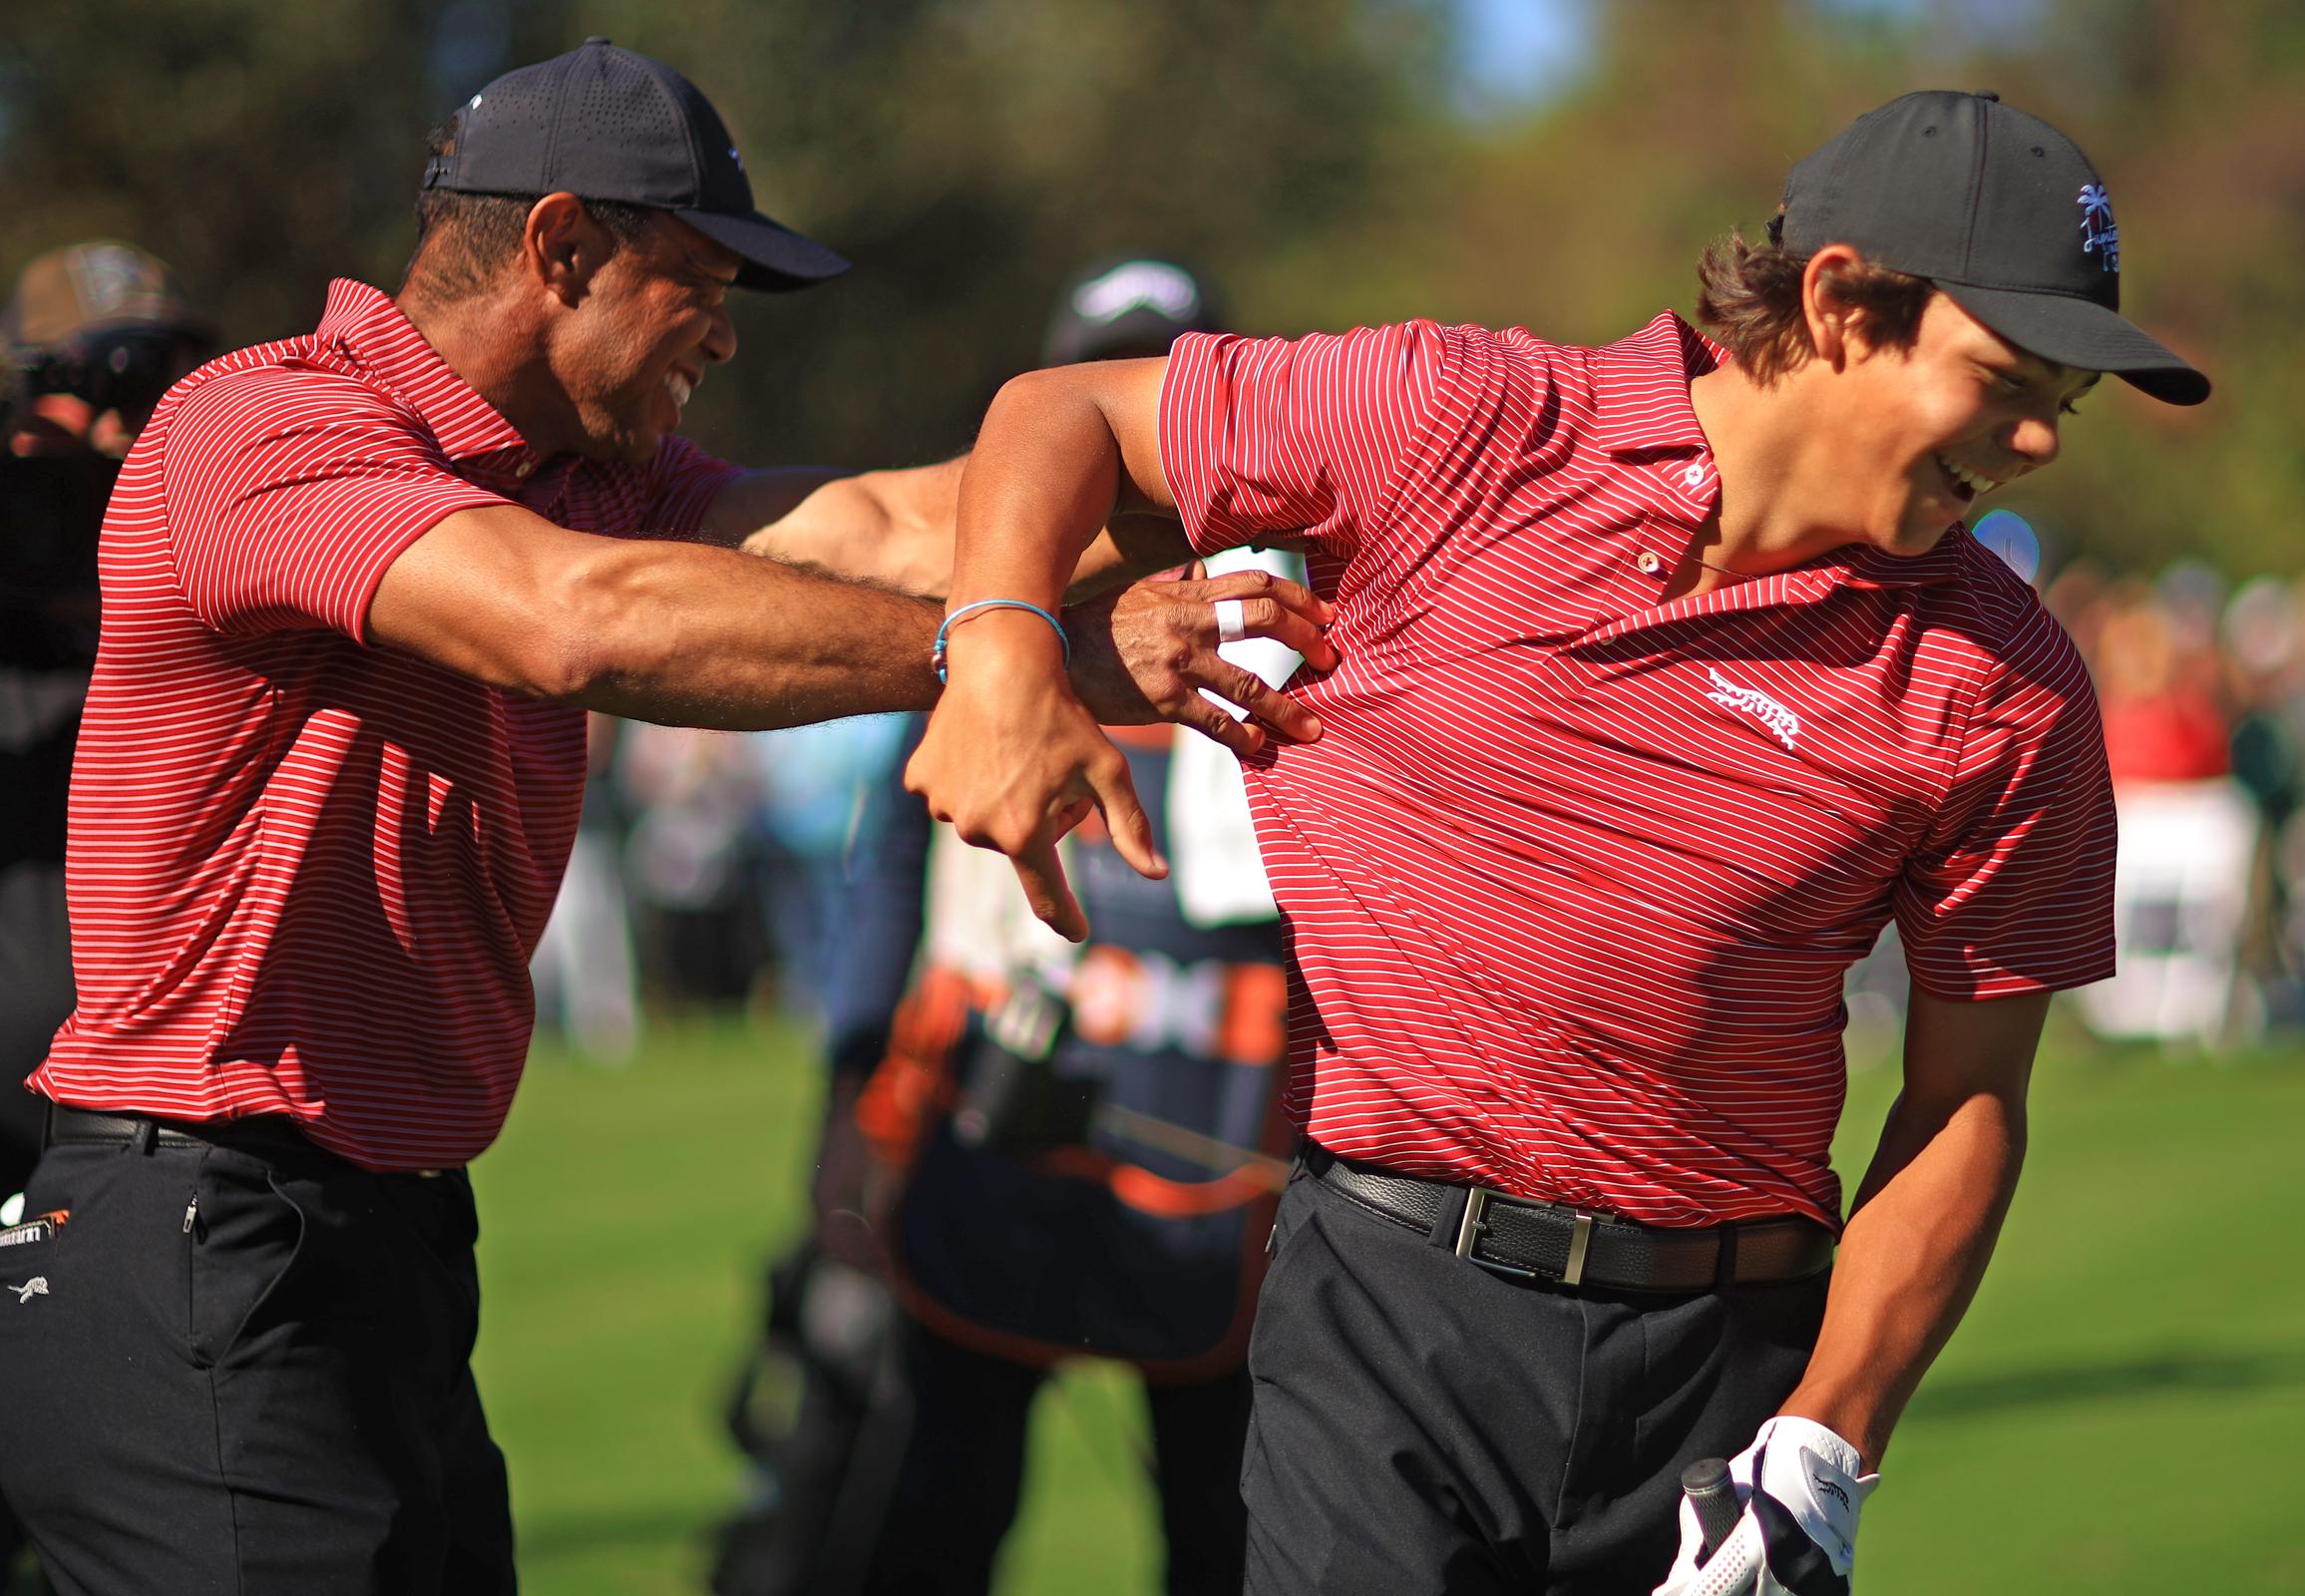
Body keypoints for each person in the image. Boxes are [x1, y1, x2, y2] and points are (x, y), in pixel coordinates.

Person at [0, 41, 1328, 1596]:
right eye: (700, 282)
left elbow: (889, 525)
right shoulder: (267, 425)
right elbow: (574, 623)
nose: (725, 339)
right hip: (195, 1231)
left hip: (378, 1248)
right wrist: (1024, 652)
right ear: (561, 246)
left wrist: (1317, 471)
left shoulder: (578, 473)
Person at [905, 90, 2210, 1596]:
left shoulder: (2006, 682)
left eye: (2068, 399)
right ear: (1845, 304)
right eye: (2005, 377)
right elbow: (1061, 411)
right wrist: (1000, 655)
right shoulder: (1470, 421)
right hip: (1384, 1318)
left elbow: (1972, 1099)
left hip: (1726, 1385)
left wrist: (1826, 1447)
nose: (2040, 438)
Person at [713, 256, 1286, 1596]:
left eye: (1161, 383)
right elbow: (892, 883)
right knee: (936, 1511)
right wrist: (852, 1087)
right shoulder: (987, 618)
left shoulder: (1290, 627)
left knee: (1230, 1530)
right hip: (990, 1117)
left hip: (1228, 1130)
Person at [0, 239, 216, 1591]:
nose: (139, 408)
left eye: (172, 368)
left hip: (152, 1147)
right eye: (102, 375)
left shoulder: (206, 537)